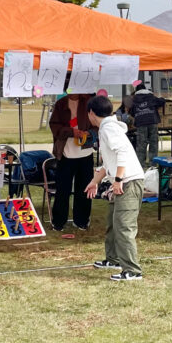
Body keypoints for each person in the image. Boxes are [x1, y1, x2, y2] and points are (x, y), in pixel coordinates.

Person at [84, 95, 145, 281]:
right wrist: (95, 181)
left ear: (91, 113)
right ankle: (113, 259)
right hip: (120, 181)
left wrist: (118, 179)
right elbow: (107, 164)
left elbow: (122, 153)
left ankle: (133, 271)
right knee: (113, 222)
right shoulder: (108, 127)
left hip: (128, 182)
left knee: (124, 226)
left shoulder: (109, 128)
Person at [48, 88, 95, 232]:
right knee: (63, 189)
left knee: (85, 188)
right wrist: (71, 132)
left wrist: (89, 133)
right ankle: (59, 222)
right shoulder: (61, 103)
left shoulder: (88, 101)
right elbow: (54, 125)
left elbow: (98, 123)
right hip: (66, 153)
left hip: (86, 151)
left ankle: (81, 221)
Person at [128, 80, 165, 167]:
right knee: (153, 142)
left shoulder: (134, 99)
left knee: (141, 143)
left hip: (141, 123)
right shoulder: (151, 96)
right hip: (152, 121)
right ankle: (153, 163)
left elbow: (132, 112)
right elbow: (161, 101)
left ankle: (141, 164)